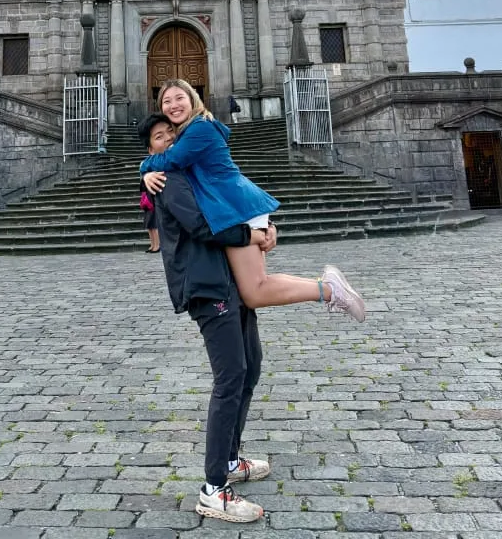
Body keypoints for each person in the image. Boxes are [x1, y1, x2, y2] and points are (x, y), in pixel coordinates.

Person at [136, 111, 272, 523]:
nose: (168, 141)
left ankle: (230, 460)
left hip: (229, 280)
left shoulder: (192, 172)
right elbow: (201, 226)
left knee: (250, 369)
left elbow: (233, 197)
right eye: (159, 138)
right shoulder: (170, 181)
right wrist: (250, 235)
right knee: (231, 376)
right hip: (206, 286)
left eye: (172, 135)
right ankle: (214, 488)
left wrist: (264, 223)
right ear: (150, 150)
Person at [141, 78, 365, 320]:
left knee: (255, 291)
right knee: (257, 285)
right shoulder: (190, 131)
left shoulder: (200, 128)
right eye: (166, 101)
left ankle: (331, 290)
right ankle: (328, 285)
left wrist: (144, 168)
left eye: (179, 98)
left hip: (237, 209)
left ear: (192, 98)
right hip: (232, 209)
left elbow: (171, 160)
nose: (173, 105)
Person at [139, 174, 161, 252]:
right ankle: (152, 245)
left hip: (153, 203)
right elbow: (142, 189)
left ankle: (157, 246)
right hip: (147, 203)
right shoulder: (145, 178)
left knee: (153, 226)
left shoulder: (153, 175)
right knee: (149, 226)